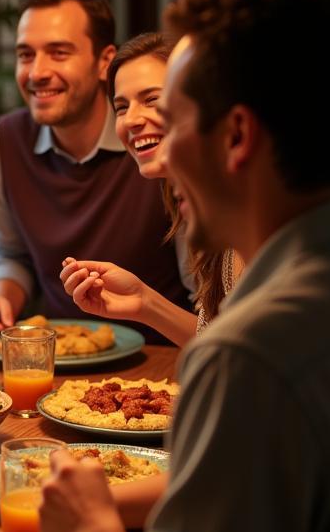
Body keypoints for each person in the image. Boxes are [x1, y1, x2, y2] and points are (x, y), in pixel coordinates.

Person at [40, 0, 330, 532]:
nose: (152, 141)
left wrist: (95, 528)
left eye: (171, 115)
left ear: (236, 136)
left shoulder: (255, 350)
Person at [0, 0, 191, 340]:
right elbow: (10, 252)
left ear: (104, 61)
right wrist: (1, 297)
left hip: (165, 358)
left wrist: (147, 306)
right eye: (26, 55)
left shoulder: (154, 146)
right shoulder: (0, 143)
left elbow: (210, 304)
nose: (37, 72)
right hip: (59, 361)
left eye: (58, 53)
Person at [59, 32, 242, 346]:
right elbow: (222, 344)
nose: (131, 119)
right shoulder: (195, 207)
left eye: (152, 100)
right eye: (120, 107)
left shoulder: (249, 216)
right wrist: (143, 302)